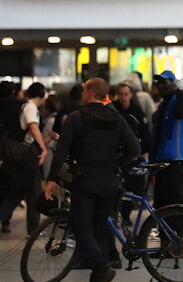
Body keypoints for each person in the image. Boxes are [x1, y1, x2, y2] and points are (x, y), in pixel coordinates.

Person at [43, 77, 139, 282]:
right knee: (100, 224)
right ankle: (101, 270)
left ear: (88, 93)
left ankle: (100, 264)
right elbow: (135, 149)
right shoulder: (116, 118)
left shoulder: (76, 118)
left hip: (85, 178)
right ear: (105, 95)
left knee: (80, 225)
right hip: (109, 180)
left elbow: (61, 152)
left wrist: (51, 179)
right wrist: (118, 165)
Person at [0, 82, 48, 235]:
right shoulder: (30, 107)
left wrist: (43, 141)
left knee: (17, 191)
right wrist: (43, 148)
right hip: (25, 156)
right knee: (34, 190)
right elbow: (33, 128)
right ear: (41, 95)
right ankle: (33, 230)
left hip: (16, 153)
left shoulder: (22, 106)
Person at [150, 70, 183, 214]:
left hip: (174, 160)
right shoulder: (163, 104)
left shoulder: (178, 100)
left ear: (172, 84)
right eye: (158, 82)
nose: (160, 86)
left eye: (164, 82)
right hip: (161, 160)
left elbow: (181, 114)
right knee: (161, 204)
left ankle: (179, 235)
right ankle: (166, 235)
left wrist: (179, 91)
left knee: (174, 203)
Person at [111, 83, 151, 159]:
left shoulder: (137, 110)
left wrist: (143, 150)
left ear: (131, 95)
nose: (123, 97)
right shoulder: (113, 110)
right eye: (121, 94)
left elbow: (144, 131)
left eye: (126, 94)